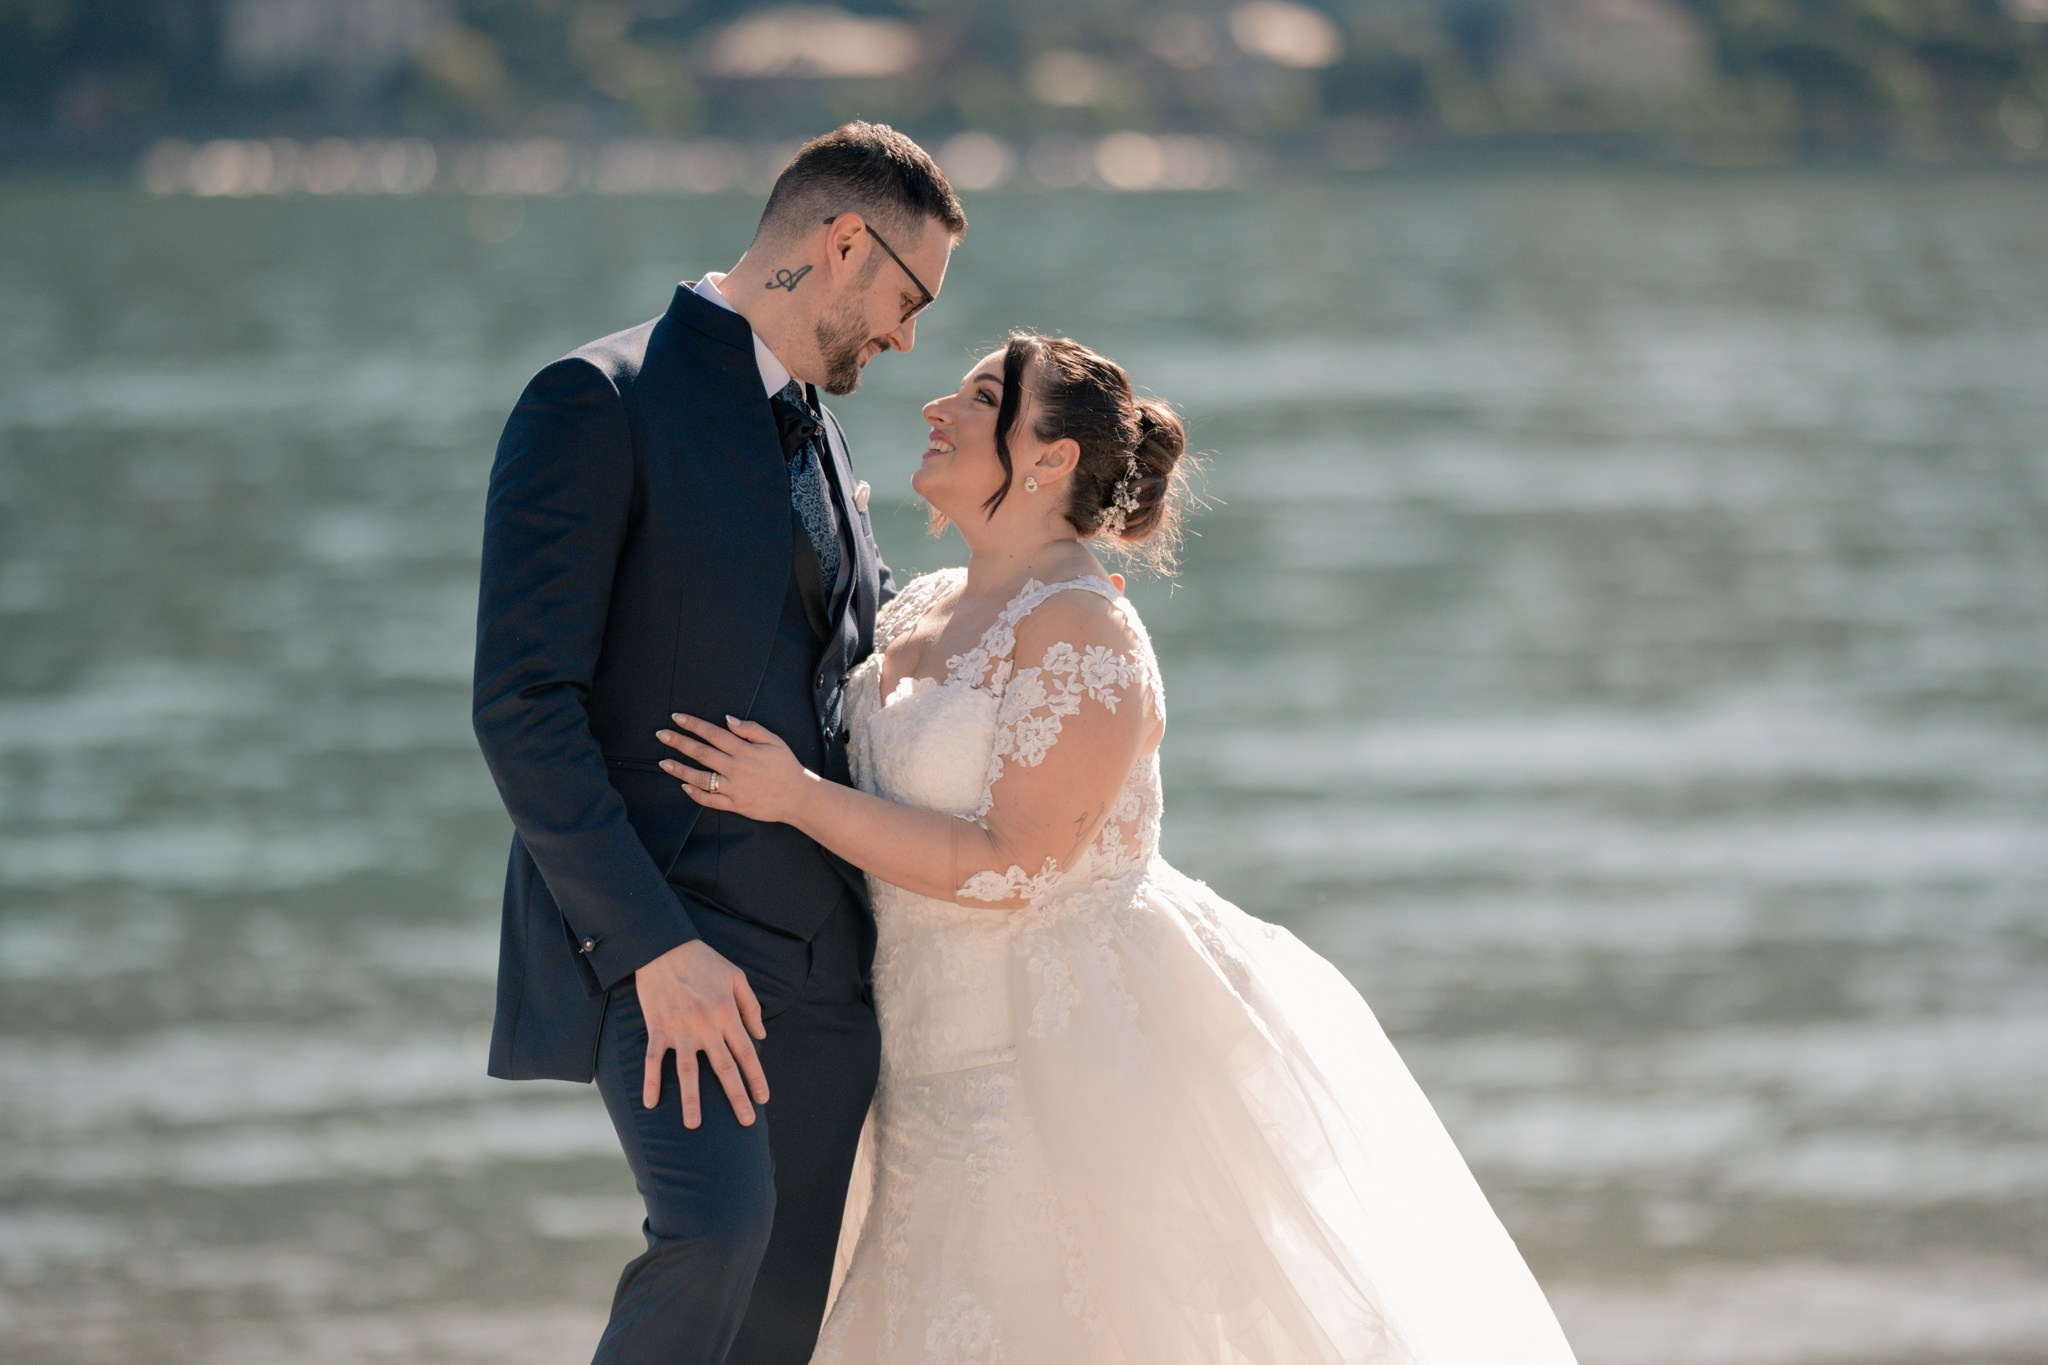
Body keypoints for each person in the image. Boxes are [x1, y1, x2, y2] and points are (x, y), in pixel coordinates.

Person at [653, 332, 1584, 1363]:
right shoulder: (917, 606)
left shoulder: (1085, 633)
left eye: (979, 397)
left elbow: (1012, 863)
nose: (936, 408)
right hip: (913, 1055)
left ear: (1049, 459)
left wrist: (795, 798)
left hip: (1051, 1058)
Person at [470, 122, 965, 1365]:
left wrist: (1035, 600)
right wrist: (653, 953)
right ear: (842, 243)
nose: (909, 337)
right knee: (713, 1235)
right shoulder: (596, 400)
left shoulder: (819, 426)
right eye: (908, 297)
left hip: (827, 968)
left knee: (779, 1318)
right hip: (670, 940)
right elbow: (522, 704)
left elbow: (855, 652)